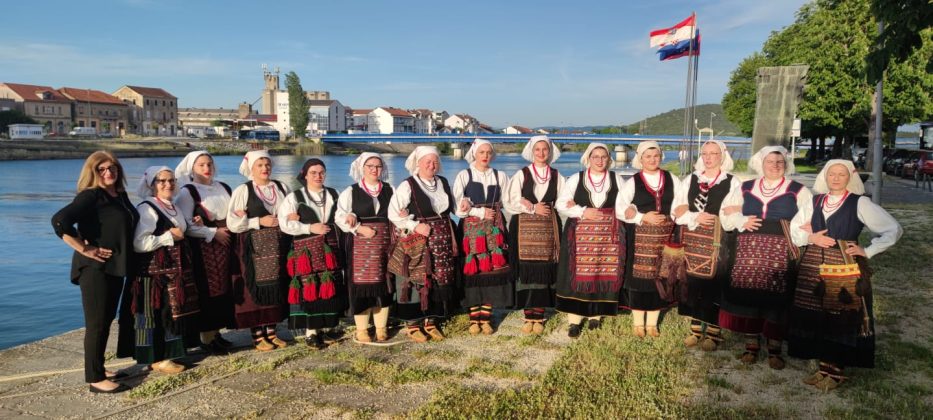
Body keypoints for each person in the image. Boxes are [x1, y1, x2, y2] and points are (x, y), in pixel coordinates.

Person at [788, 159, 901, 390]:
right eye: (832, 174)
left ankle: (837, 371)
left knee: (839, 314)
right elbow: (795, 227)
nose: (836, 178)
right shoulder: (815, 200)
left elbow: (893, 229)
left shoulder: (859, 203)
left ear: (850, 177)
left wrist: (867, 250)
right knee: (817, 314)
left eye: (841, 174)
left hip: (843, 265)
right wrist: (811, 237)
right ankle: (824, 367)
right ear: (825, 177)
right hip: (813, 264)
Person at [51, 151, 138, 393]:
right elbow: (59, 221)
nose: (108, 172)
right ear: (93, 172)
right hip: (95, 268)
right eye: (102, 169)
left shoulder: (119, 195)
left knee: (106, 320)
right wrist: (84, 248)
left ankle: (99, 367)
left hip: (115, 267)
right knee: (97, 323)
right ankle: (95, 379)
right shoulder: (91, 196)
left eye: (112, 168)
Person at [719, 146, 811, 370]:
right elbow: (726, 213)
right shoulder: (745, 187)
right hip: (747, 251)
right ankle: (751, 344)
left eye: (780, 162)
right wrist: (741, 220)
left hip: (781, 252)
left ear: (786, 165)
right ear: (761, 164)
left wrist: (798, 231)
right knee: (750, 295)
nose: (775, 166)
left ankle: (774, 348)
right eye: (770, 161)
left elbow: (808, 220)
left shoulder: (798, 191)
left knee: (777, 298)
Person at [132, 166, 207, 374]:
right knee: (160, 313)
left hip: (175, 271)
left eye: (172, 180)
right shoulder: (147, 208)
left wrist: (194, 223)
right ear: (152, 185)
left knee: (174, 311)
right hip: (157, 274)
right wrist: (168, 237)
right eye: (162, 181)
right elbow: (139, 243)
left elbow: (182, 230)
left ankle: (173, 353)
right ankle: (158, 358)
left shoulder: (172, 206)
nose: (168, 184)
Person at [672, 140, 741, 350]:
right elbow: (677, 210)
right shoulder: (691, 179)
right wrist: (695, 216)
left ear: (722, 156)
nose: (709, 157)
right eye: (705, 153)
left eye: (713, 153)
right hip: (692, 237)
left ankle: (713, 331)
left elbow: (734, 210)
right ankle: (695, 329)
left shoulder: (732, 181)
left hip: (719, 238)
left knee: (715, 282)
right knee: (693, 280)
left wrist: (729, 212)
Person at [388, 146, 459, 343]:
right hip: (418, 239)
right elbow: (393, 213)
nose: (431, 165)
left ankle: (431, 320)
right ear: (417, 163)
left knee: (439, 278)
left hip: (442, 237)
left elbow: (454, 208)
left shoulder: (443, 182)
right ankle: (413, 324)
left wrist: (467, 206)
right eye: (427, 161)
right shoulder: (407, 185)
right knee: (417, 278)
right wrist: (415, 225)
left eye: (435, 161)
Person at [554, 143, 626, 338]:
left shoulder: (617, 179)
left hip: (608, 237)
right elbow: (561, 204)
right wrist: (582, 210)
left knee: (602, 275)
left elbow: (626, 203)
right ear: (588, 158)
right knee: (577, 277)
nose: (600, 160)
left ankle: (596, 316)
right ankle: (574, 320)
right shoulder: (576, 179)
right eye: (596, 157)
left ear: (609, 159)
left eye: (604, 156)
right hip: (579, 237)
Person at [278, 158, 347, 349]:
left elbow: (342, 216)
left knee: (330, 285)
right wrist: (309, 227)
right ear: (305, 175)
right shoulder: (294, 197)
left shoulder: (334, 194)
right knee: (311, 287)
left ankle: (327, 328)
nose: (318, 176)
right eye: (313, 173)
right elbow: (285, 224)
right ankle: (311, 333)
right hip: (306, 252)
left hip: (331, 247)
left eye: (321, 172)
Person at [227, 150, 291, 351]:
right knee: (253, 289)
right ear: (251, 168)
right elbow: (232, 223)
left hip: (278, 245)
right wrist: (258, 221)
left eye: (267, 164)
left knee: (276, 286)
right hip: (253, 247)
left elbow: (291, 211)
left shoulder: (281, 187)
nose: (265, 168)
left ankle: (272, 332)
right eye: (260, 165)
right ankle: (257, 335)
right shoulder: (243, 190)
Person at [618, 141, 684, 338]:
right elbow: (620, 208)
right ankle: (638, 323)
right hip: (641, 238)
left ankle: (653, 324)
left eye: (656, 156)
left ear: (661, 157)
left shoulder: (672, 179)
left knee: (661, 277)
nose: (652, 160)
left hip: (666, 236)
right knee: (640, 279)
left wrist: (677, 213)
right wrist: (641, 216)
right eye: (648, 156)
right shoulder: (633, 181)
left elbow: (680, 203)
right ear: (640, 159)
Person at [174, 151, 235, 355]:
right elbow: (185, 225)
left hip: (226, 245)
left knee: (224, 289)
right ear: (192, 168)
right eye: (201, 165)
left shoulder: (223, 187)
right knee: (208, 290)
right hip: (204, 248)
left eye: (209, 164)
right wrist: (213, 232)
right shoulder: (187, 192)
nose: (206, 168)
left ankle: (216, 333)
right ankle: (207, 338)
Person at [504, 135, 565, 335]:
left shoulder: (557, 175)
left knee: (544, 270)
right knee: (526, 269)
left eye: (544, 149)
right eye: (537, 149)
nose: (541, 153)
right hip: (524, 229)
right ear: (532, 152)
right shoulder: (521, 174)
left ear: (550, 151)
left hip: (548, 227)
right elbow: (510, 201)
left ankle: (539, 314)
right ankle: (527, 313)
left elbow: (563, 200)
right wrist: (531, 208)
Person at [453, 139, 514, 335]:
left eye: (488, 152)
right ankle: (474, 318)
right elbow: (457, 207)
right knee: (473, 271)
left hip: (494, 229)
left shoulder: (500, 175)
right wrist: (476, 211)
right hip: (470, 231)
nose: (485, 156)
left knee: (493, 271)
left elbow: (509, 200)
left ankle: (486, 317)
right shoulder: (464, 175)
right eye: (481, 152)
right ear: (474, 154)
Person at [335, 153, 395, 343]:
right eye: (370, 166)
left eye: (378, 166)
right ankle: (362, 330)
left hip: (384, 244)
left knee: (384, 284)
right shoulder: (351, 191)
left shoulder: (390, 189)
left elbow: (397, 213)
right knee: (361, 286)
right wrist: (358, 227)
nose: (374, 170)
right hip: (360, 245)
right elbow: (339, 217)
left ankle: (381, 328)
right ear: (362, 168)